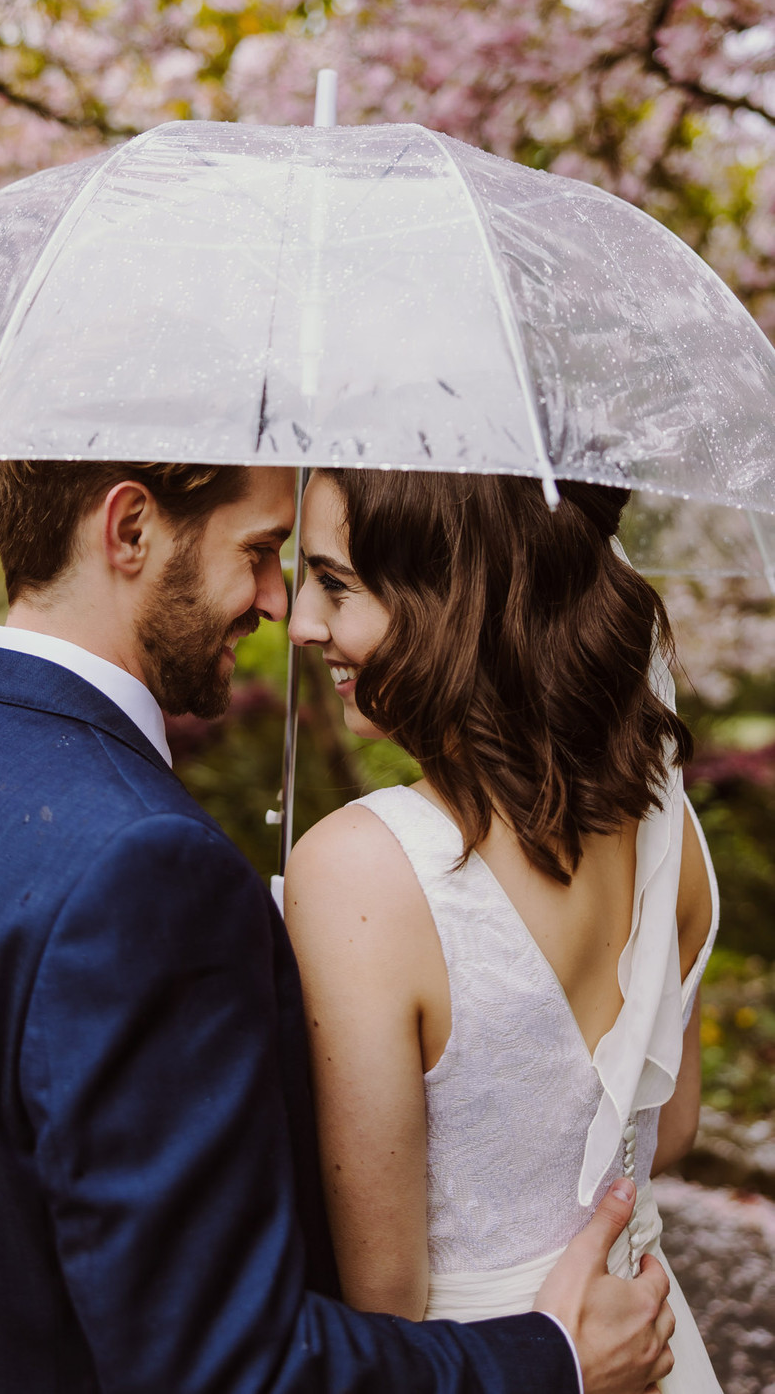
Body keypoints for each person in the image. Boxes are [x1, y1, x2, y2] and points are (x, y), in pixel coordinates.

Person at [0, 459, 674, 1394]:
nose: (281, 604)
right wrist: (554, 1360)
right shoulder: (141, 864)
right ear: (130, 529)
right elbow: (232, 1365)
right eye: (263, 551)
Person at [285, 468, 721, 1392]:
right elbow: (669, 1128)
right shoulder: (669, 822)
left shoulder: (362, 871)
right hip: (651, 1339)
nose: (299, 622)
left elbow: (384, 1299)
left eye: (334, 583)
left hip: (487, 1365)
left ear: (453, 593)